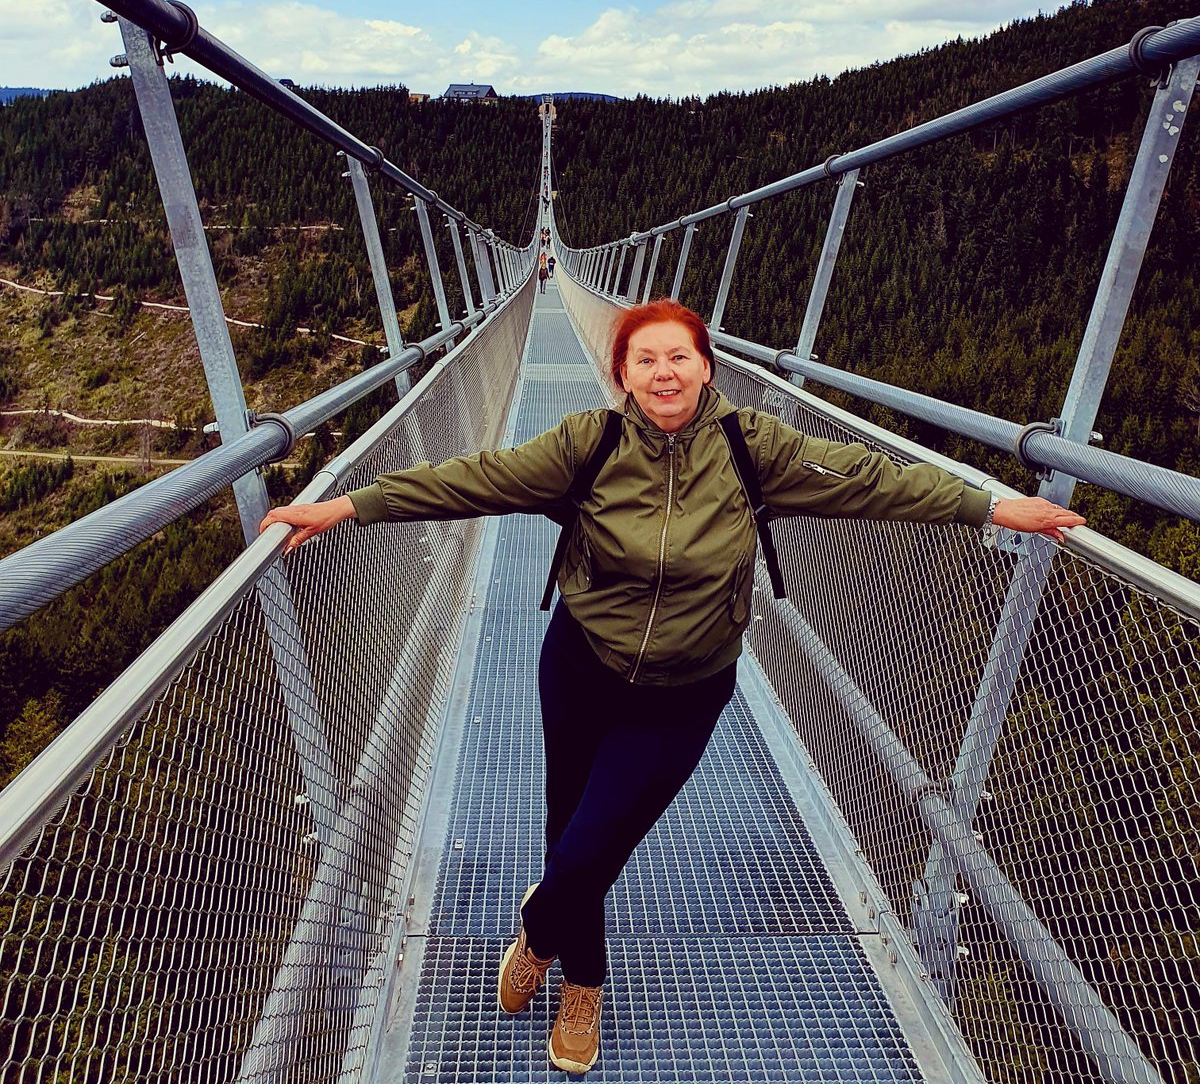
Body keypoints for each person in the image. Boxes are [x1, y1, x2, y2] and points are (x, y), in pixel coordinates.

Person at [258, 298, 1084, 1076]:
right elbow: (472, 479)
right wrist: (343, 509)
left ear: (706, 367)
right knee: (569, 832)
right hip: (581, 666)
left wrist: (991, 508)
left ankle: (539, 933)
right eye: (644, 358)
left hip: (686, 690)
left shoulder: (753, 448)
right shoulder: (588, 444)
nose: (663, 372)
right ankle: (584, 989)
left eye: (678, 357)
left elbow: (871, 480)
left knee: (591, 847)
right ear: (621, 374)